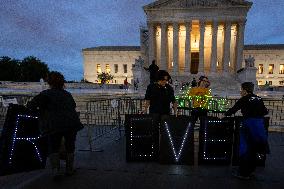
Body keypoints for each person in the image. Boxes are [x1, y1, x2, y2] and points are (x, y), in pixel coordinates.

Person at [27, 71, 83, 179]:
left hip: (54, 124)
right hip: (71, 124)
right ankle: (69, 169)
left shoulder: (45, 94)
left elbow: (31, 105)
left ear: (49, 82)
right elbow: (73, 105)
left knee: (54, 147)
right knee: (70, 146)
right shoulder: (67, 94)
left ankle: (56, 171)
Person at [225, 82, 268, 180]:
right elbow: (265, 111)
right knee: (255, 149)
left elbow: (233, 110)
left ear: (245, 90)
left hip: (249, 125)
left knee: (246, 149)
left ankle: (243, 173)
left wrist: (225, 114)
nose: (240, 91)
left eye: (241, 90)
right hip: (259, 126)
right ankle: (250, 171)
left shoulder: (244, 99)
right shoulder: (258, 98)